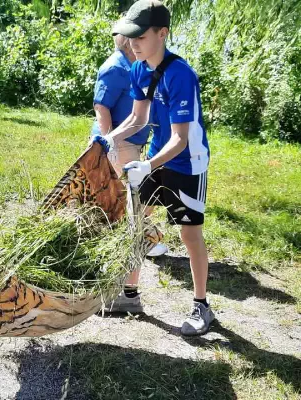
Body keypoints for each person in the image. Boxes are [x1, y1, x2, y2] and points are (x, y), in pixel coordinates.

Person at [98, 0, 213, 335]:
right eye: (129, 36)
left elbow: (180, 138)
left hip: (187, 162)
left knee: (189, 234)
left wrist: (146, 164)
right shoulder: (139, 68)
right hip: (157, 157)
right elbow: (138, 117)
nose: (132, 42)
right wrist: (111, 138)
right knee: (137, 225)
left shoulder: (181, 75)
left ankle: (201, 306)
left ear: (162, 34)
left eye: (140, 35)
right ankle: (129, 296)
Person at [91, 32, 168, 314]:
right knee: (124, 215)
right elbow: (102, 109)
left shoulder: (147, 68)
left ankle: (126, 292)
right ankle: (122, 290)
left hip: (144, 150)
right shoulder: (117, 67)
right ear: (128, 41)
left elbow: (144, 116)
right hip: (121, 146)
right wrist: (109, 142)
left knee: (132, 217)